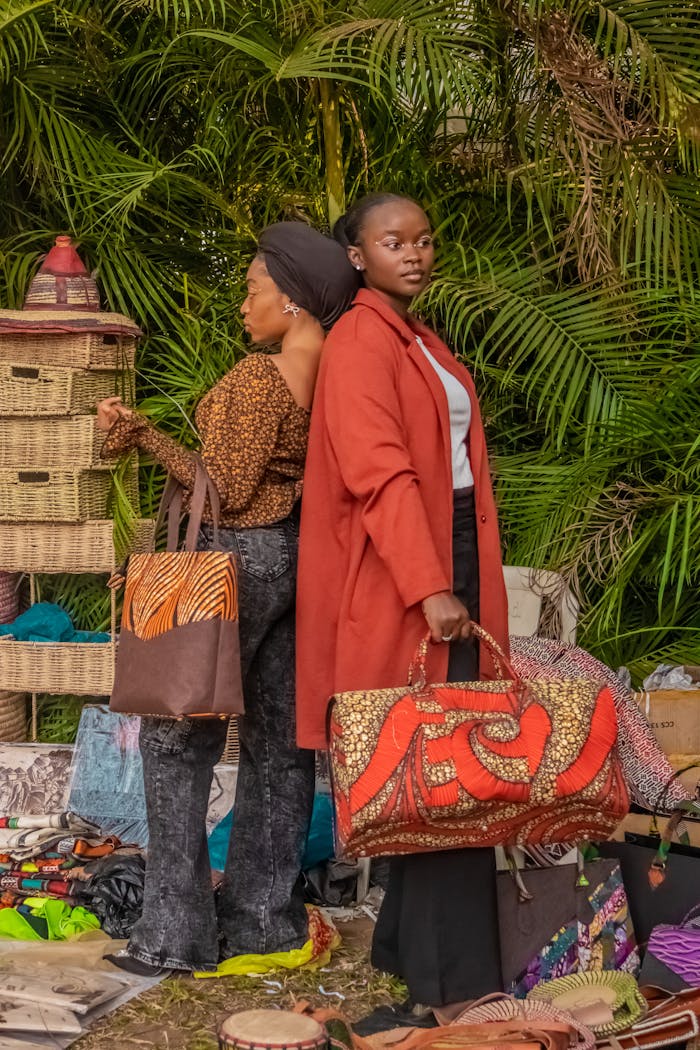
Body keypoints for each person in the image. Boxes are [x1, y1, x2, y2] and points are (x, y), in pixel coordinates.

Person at [96, 222, 359, 975]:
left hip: (230, 560)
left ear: (296, 301)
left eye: (253, 289)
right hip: (295, 561)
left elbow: (228, 492)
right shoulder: (338, 380)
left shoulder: (259, 376)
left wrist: (143, 434)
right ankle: (262, 923)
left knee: (177, 740)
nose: (245, 304)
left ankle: (172, 937)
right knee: (281, 745)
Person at [295, 193, 510, 1026]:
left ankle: (419, 965)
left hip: (444, 550)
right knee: (431, 770)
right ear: (358, 256)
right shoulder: (358, 340)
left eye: (424, 241)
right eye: (395, 242)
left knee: (438, 763)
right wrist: (430, 586)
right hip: (403, 574)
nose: (415, 255)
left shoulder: (416, 338)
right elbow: (379, 474)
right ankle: (443, 984)